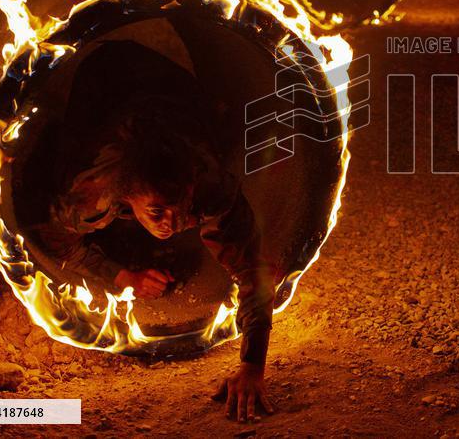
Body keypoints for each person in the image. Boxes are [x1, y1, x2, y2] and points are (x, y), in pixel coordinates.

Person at [35, 42, 277, 422]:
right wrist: (120, 274)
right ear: (127, 199)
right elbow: (49, 237)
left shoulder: (210, 185)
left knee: (223, 130)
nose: (172, 222)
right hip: (105, 81)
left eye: (180, 205)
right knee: (57, 167)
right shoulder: (93, 193)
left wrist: (252, 366)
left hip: (170, 87)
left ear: (192, 185)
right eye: (156, 211)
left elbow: (253, 272)